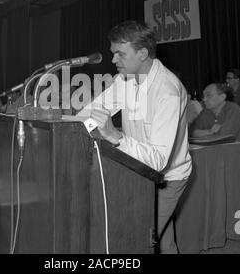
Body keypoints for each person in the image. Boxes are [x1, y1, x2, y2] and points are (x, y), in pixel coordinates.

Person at [78, 20, 192, 253]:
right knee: (161, 238)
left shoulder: (167, 91)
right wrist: (71, 124)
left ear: (142, 53)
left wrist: (115, 136)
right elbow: (94, 110)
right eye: (113, 53)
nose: (113, 60)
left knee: (137, 240)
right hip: (138, 168)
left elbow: (159, 160)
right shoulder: (126, 78)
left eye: (120, 54)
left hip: (166, 177)